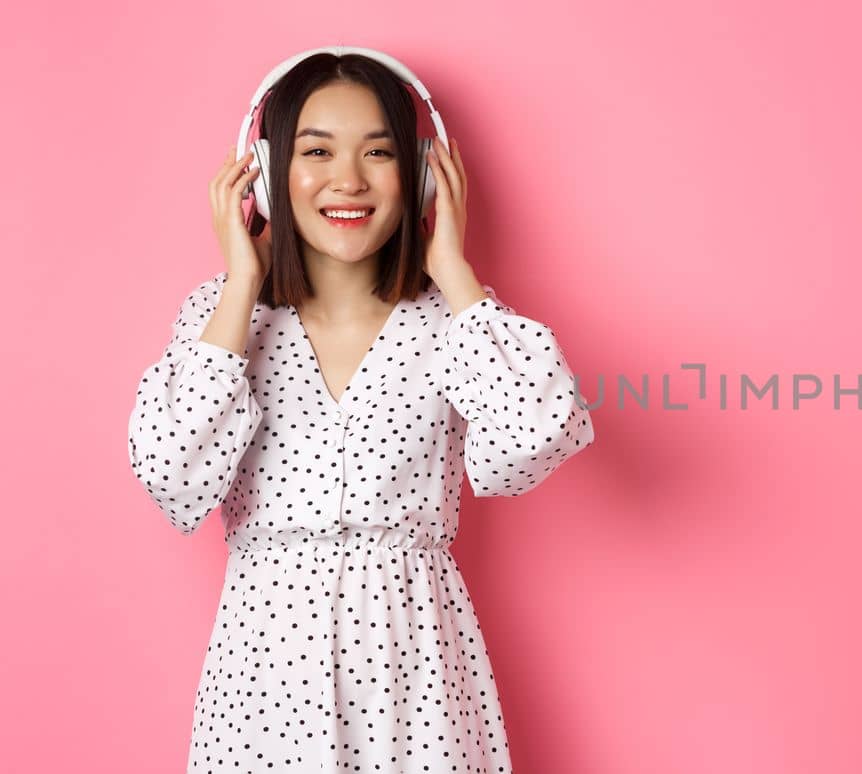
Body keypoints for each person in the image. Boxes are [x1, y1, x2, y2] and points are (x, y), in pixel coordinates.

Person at [126, 49, 596, 772]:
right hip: (264, 681)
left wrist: (456, 272)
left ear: (420, 173)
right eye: (316, 151)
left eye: (378, 153)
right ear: (265, 171)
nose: (348, 180)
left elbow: (540, 431)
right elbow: (173, 478)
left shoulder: (456, 321)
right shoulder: (222, 322)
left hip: (416, 672)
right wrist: (240, 283)